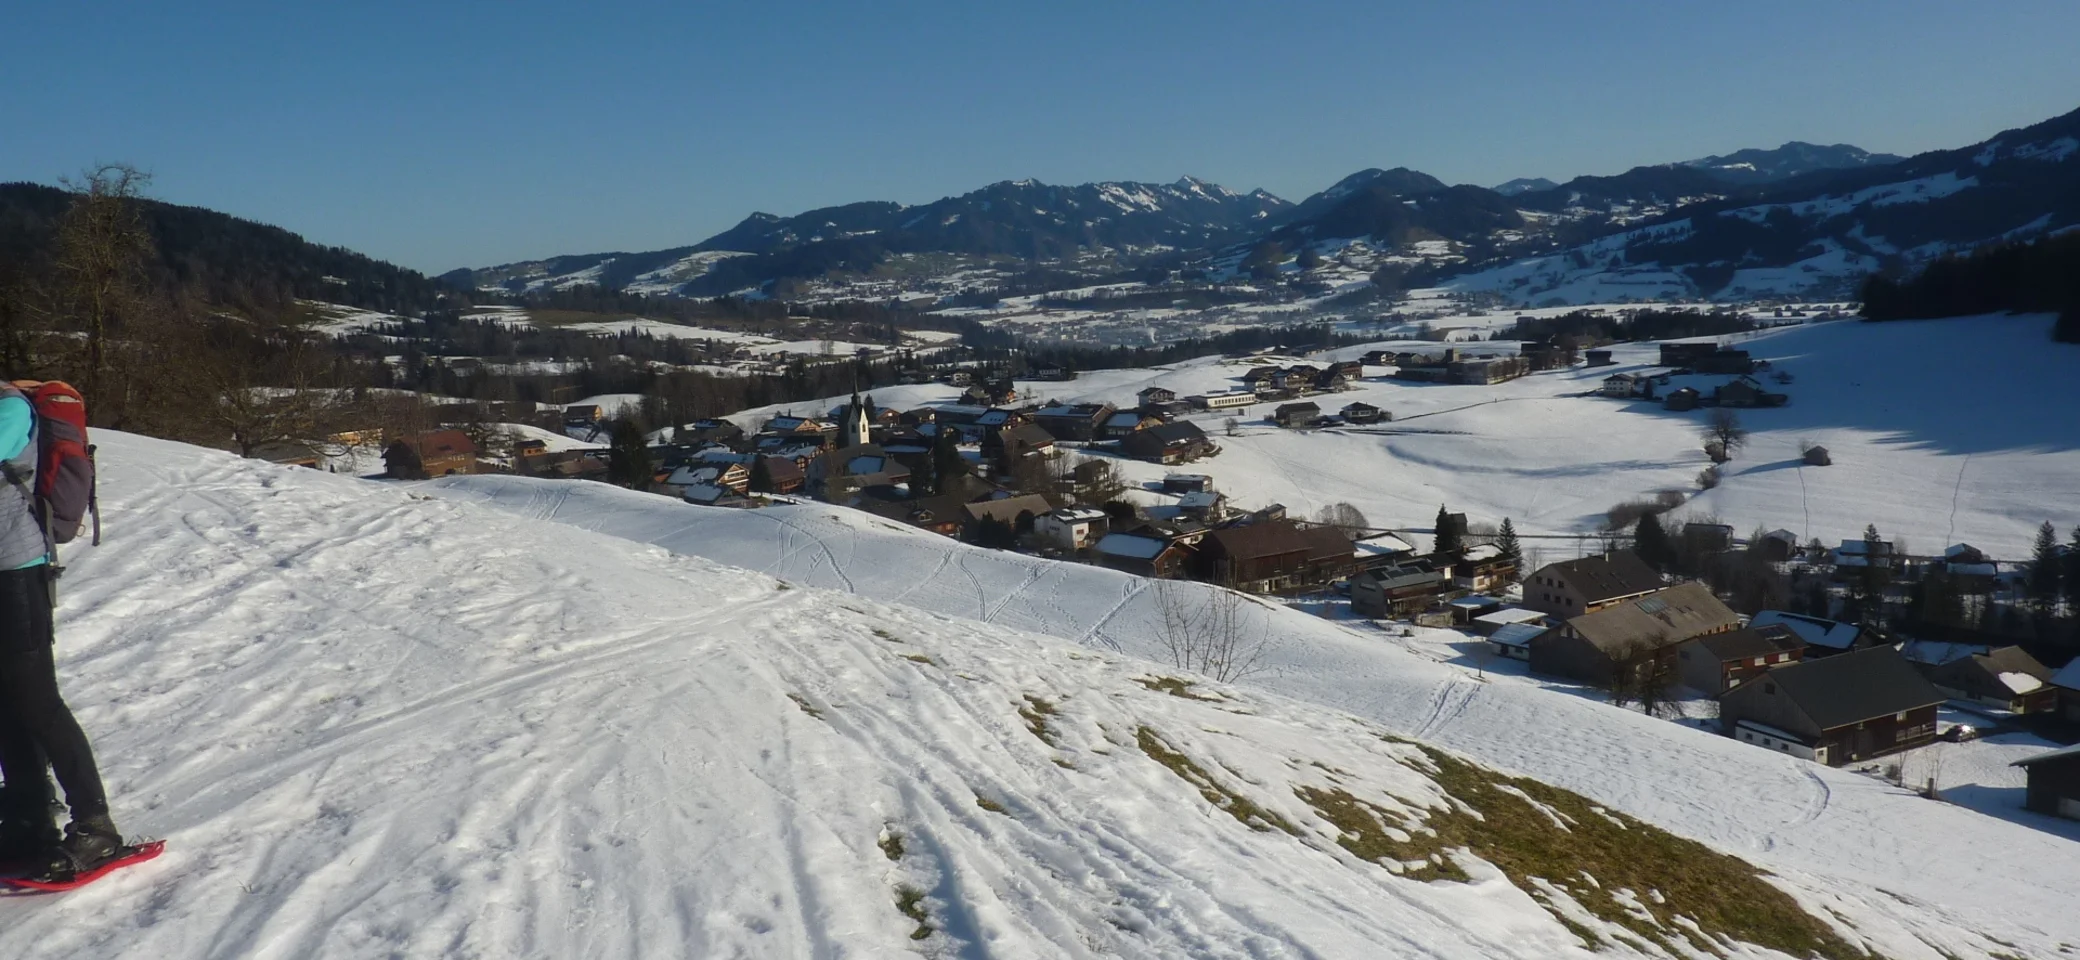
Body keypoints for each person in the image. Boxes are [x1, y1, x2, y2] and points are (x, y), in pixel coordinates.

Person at [0, 381, 122, 877]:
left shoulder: (9, 407)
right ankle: (29, 818)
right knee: (5, 703)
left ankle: (97, 827)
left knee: (37, 700)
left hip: (18, 572)